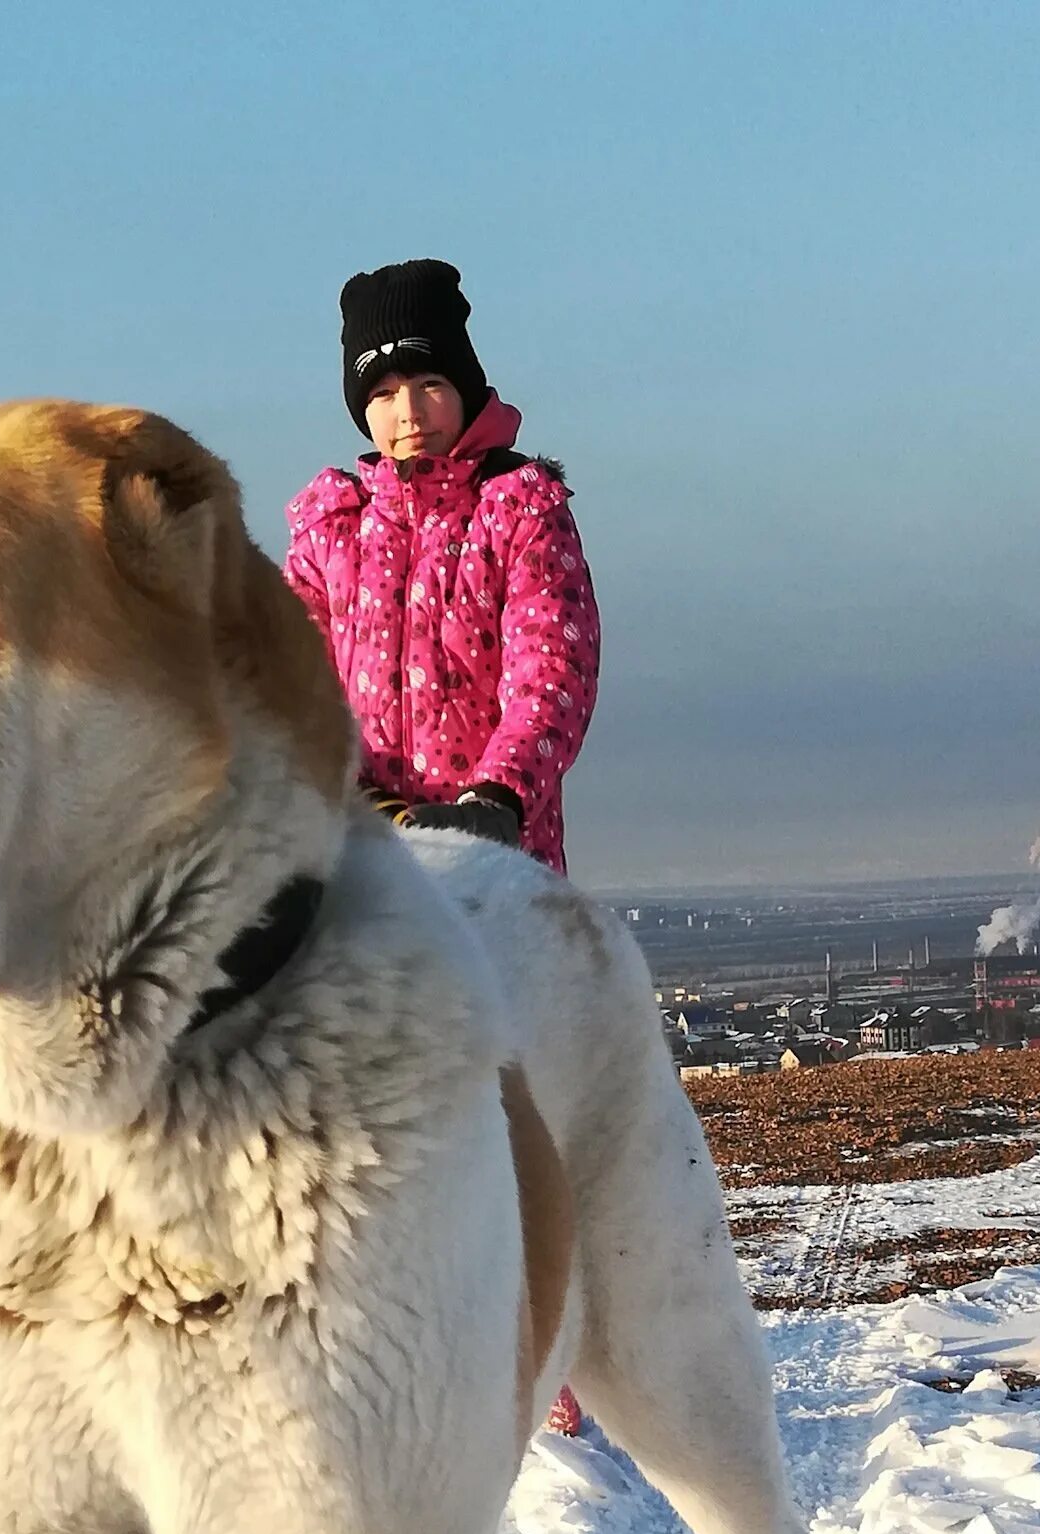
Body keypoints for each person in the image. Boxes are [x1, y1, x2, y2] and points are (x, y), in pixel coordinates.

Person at [285, 258, 601, 1435]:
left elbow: (552, 671)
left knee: (521, 1100)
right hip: (369, 861)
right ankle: (398, 1351)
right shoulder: (331, 529)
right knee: (375, 1111)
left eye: (426, 383)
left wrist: (500, 796)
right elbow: (287, 686)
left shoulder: (523, 510)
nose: (405, 410)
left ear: (467, 387)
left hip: (497, 856)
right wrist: (330, 790)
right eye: (381, 391)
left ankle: (549, 1353)